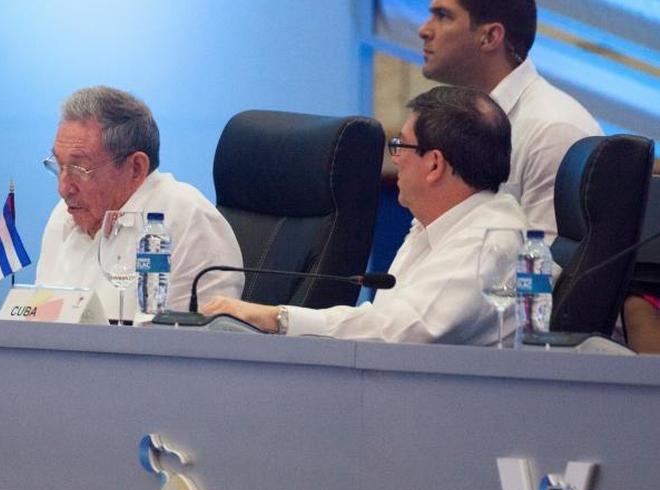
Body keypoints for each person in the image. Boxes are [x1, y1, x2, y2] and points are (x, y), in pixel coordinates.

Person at [203, 86, 526, 345]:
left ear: (434, 164)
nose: (395, 158)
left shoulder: (489, 241)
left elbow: (398, 332)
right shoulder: (436, 222)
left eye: (401, 145)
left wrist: (275, 317)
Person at [36, 86, 243, 321]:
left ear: (136, 168)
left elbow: (197, 342)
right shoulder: (64, 215)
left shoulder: (186, 218)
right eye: (59, 167)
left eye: (79, 169)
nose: (63, 188)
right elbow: (41, 323)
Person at [418, 0, 601, 247]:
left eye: (443, 16)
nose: (424, 30)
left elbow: (545, 271)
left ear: (490, 36)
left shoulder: (553, 130)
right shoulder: (457, 122)